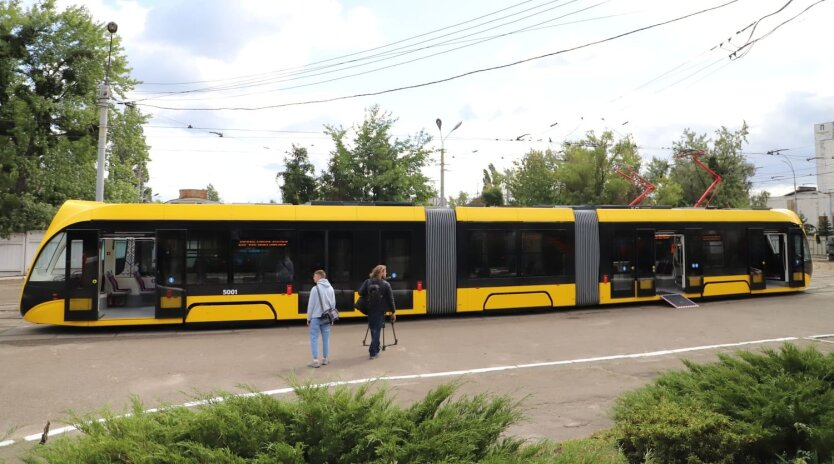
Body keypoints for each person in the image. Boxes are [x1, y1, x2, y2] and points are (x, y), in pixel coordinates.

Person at [358, 264, 396, 359]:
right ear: (380, 272)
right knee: (377, 330)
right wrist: (393, 312)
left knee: (373, 329)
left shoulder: (368, 282)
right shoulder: (386, 284)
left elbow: (360, 292)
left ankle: (376, 348)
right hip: (380, 310)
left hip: (370, 309)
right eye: (385, 271)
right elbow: (391, 299)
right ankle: (373, 351)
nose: (386, 273)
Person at [307, 269, 336, 368]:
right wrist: (332, 318)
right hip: (327, 318)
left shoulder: (315, 289)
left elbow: (311, 305)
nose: (313, 278)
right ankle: (325, 359)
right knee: (326, 339)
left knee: (314, 338)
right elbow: (333, 305)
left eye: (314, 276)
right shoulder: (331, 288)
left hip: (315, 317)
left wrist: (308, 318)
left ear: (319, 277)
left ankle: (315, 361)